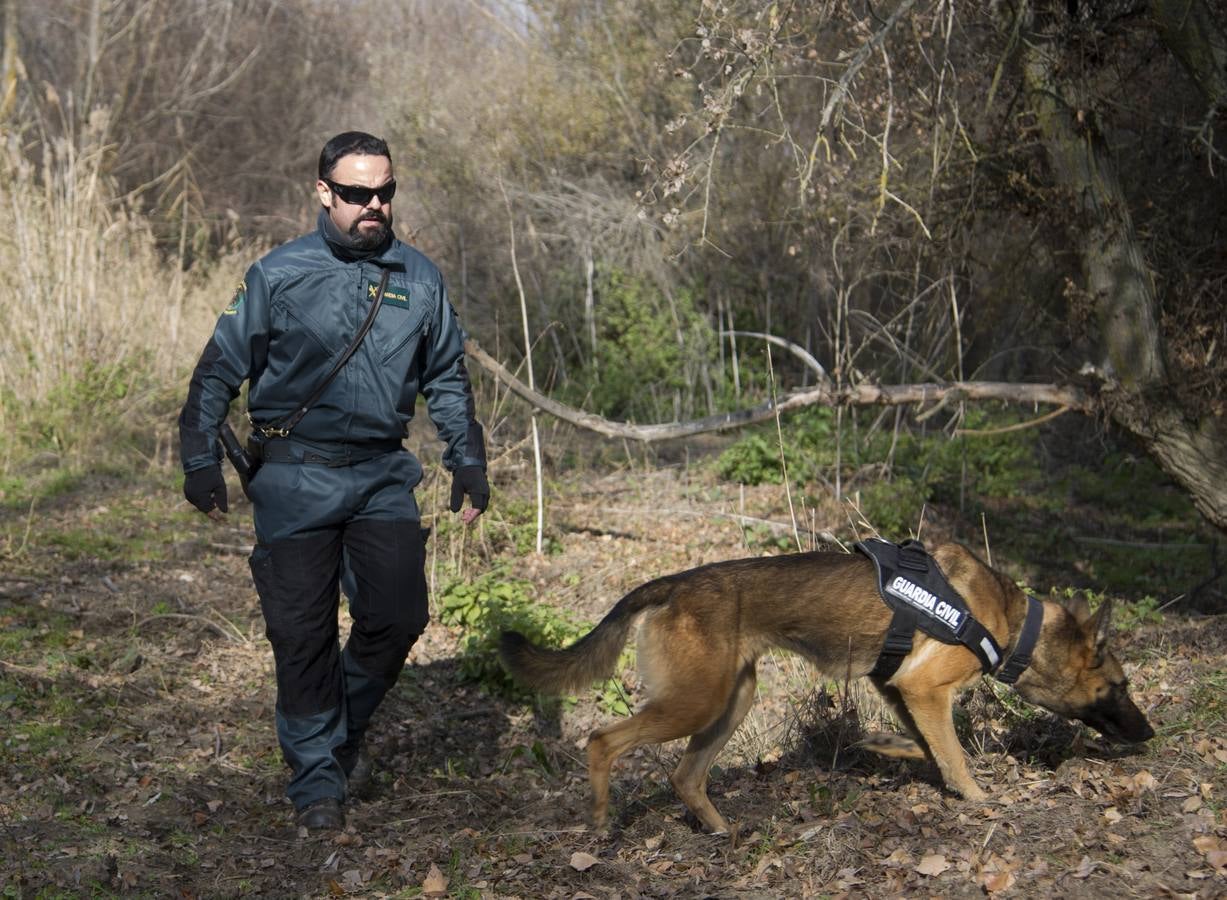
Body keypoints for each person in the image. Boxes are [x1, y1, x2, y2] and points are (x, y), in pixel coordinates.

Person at [178, 131, 489, 831]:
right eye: (355, 194)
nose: (372, 205)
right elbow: (219, 367)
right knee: (302, 634)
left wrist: (466, 458)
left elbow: (445, 374)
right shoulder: (277, 274)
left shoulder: (419, 277)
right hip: (293, 474)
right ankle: (317, 777)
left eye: (384, 192)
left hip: (382, 475)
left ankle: (330, 732)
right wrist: (198, 456)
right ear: (323, 191)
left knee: (399, 615)